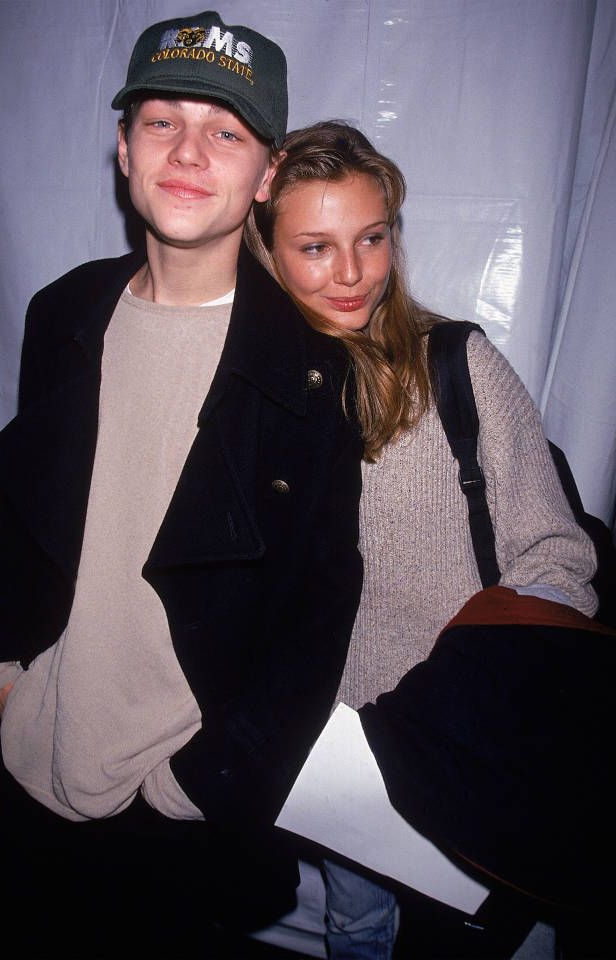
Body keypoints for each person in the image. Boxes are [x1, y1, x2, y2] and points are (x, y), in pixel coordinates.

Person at [0, 19, 364, 957]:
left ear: (267, 174)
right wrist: (0, 676)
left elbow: (320, 611)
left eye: (227, 130)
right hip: (36, 772)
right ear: (122, 147)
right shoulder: (64, 312)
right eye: (162, 122)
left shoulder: (310, 369)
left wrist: (202, 782)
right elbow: (29, 526)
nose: (190, 152)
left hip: (182, 819)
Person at [245, 120, 598, 960]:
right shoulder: (254, 404)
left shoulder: (458, 366)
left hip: (469, 739)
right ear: (267, 251)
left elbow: (561, 555)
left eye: (371, 237)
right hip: (342, 751)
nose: (353, 271)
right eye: (316, 247)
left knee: (491, 936)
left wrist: (462, 693)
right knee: (357, 927)